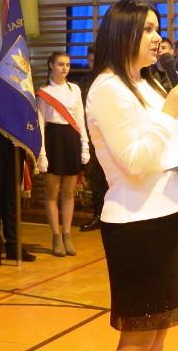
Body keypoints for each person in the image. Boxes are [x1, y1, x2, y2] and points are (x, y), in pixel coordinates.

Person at [85, 0, 178, 350]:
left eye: (157, 29)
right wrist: (169, 113)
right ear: (123, 33)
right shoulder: (108, 88)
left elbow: (162, 148)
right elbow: (134, 162)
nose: (158, 38)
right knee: (138, 336)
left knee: (159, 329)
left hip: (168, 214)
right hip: (136, 223)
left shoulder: (150, 84)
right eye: (148, 29)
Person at [0, 74, 37, 266]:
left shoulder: (20, 90)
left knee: (12, 202)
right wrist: (4, 117)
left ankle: (13, 246)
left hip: (14, 152)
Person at [37, 51, 90, 257]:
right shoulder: (44, 92)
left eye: (67, 64)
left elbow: (80, 119)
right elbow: (40, 124)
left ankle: (67, 235)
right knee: (52, 193)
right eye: (60, 64)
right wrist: (42, 153)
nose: (65, 68)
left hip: (71, 140)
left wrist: (84, 145)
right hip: (53, 141)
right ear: (51, 65)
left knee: (68, 192)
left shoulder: (74, 89)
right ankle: (56, 236)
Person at [78, 46, 109, 232]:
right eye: (90, 60)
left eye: (95, 60)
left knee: (111, 178)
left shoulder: (111, 81)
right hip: (90, 137)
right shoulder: (83, 82)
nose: (92, 63)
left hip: (110, 136)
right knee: (95, 178)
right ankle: (98, 215)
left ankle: (111, 216)